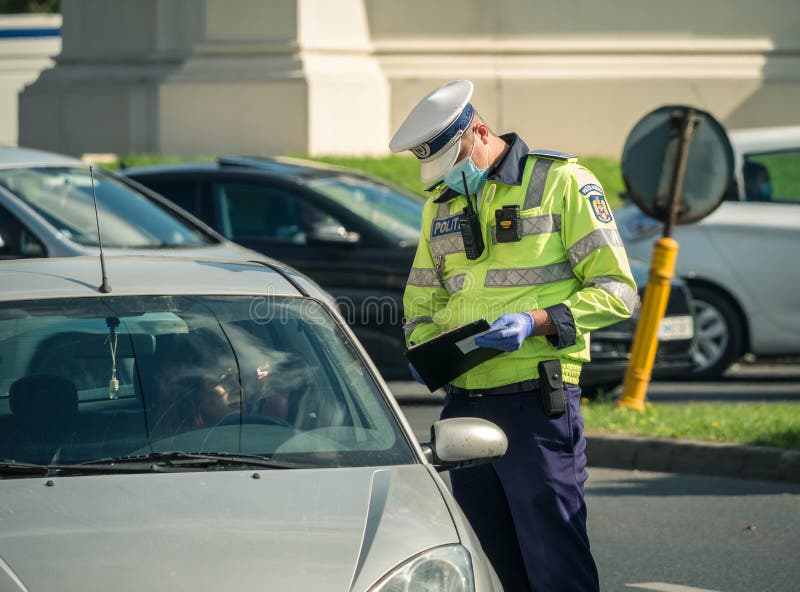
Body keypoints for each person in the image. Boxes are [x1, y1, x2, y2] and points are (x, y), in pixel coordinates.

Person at [390, 80, 637, 592]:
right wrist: (423, 347)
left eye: (453, 161)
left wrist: (536, 322)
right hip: (464, 405)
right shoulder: (442, 203)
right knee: (488, 566)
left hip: (536, 402)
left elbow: (618, 290)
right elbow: (422, 297)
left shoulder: (561, 182)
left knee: (555, 564)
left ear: (478, 131)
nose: (450, 179)